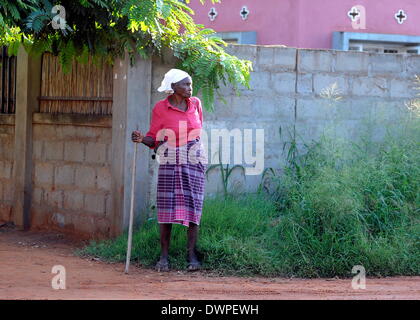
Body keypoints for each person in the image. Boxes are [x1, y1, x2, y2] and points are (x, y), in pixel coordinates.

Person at [131, 69, 207, 272]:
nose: (190, 88)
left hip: (194, 160)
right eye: (186, 85)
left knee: (193, 208)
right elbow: (153, 138)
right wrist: (141, 139)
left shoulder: (196, 104)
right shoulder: (160, 108)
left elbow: (198, 131)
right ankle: (163, 257)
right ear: (173, 87)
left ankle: (191, 256)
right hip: (170, 160)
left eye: (191, 84)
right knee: (167, 208)